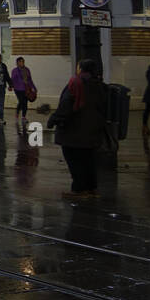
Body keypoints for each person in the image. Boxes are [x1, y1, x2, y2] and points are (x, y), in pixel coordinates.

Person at [48, 58, 109, 199]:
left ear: (81, 68)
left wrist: (54, 119)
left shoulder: (76, 83)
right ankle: (91, 187)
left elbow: (67, 104)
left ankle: (79, 189)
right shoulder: (99, 85)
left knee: (74, 159)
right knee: (89, 159)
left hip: (74, 129)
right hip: (93, 129)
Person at [10, 56, 35, 121]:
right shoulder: (15, 70)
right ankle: (18, 112)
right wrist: (11, 86)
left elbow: (30, 79)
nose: (22, 63)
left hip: (26, 88)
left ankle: (23, 116)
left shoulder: (27, 69)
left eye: (23, 61)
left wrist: (33, 87)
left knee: (25, 103)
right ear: (17, 63)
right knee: (21, 101)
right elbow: (13, 79)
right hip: (18, 88)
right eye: (20, 61)